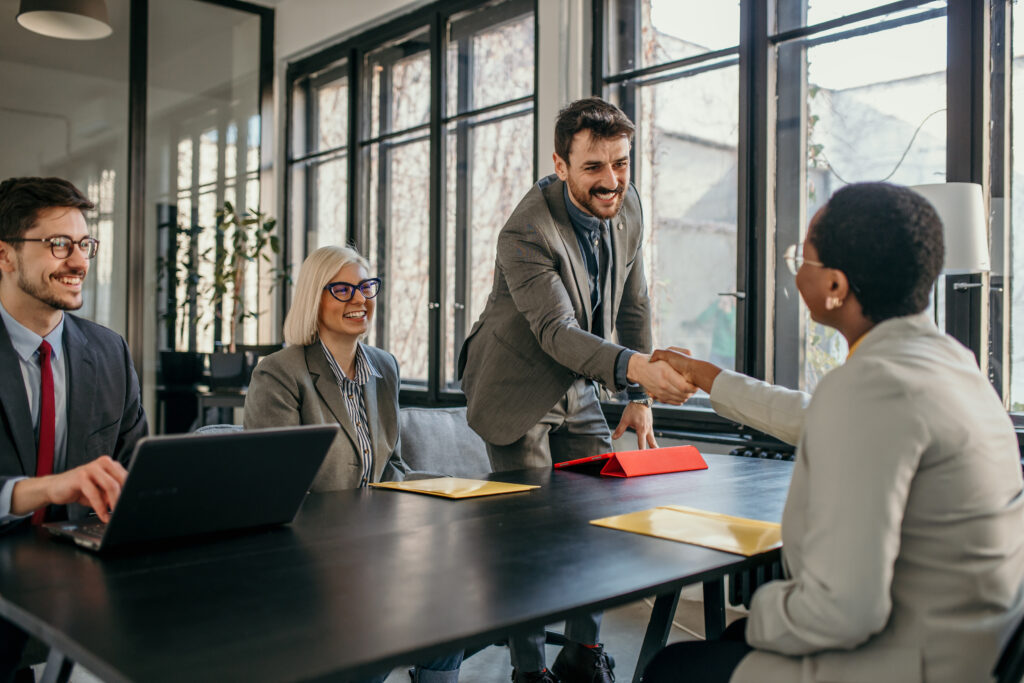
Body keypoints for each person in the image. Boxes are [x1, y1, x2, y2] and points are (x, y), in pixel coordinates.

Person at [642, 182, 1024, 683]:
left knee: (672, 668)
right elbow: (815, 416)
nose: (796, 269)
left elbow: (843, 611)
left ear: (836, 285)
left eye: (803, 257)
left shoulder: (870, 387)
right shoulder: (950, 364)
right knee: (734, 639)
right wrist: (708, 376)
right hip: (972, 646)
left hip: (909, 663)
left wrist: (769, 607)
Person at [457, 97, 693, 683]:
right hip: (514, 384)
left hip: (577, 378)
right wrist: (637, 369)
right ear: (560, 165)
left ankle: (583, 655)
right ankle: (529, 671)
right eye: (594, 167)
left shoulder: (627, 205)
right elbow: (556, 331)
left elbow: (634, 302)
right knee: (531, 534)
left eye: (621, 162)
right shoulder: (525, 231)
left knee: (597, 514)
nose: (611, 180)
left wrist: (638, 399)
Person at [244, 245, 462, 683]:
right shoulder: (280, 373)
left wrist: (453, 494)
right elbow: (276, 492)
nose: (359, 299)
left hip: (380, 548)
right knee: (370, 646)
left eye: (366, 287)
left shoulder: (384, 366)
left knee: (450, 621)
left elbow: (391, 467)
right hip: (314, 559)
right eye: (342, 289)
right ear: (314, 298)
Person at [0, 176, 148, 682]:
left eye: (85, 244)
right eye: (59, 244)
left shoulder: (109, 352)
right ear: (5, 255)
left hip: (86, 591)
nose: (79, 261)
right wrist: (45, 489)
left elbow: (134, 470)